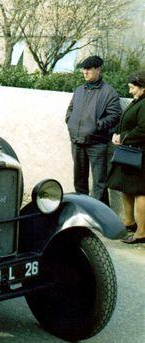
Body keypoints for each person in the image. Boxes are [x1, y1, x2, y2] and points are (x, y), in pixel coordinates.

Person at [65, 55, 121, 204]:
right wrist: (70, 122)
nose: (85, 72)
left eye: (89, 69)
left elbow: (115, 115)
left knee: (99, 183)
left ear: (98, 69)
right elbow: (70, 110)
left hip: (97, 144)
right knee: (79, 180)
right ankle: (83, 210)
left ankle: (100, 216)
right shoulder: (79, 90)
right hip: (77, 141)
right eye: (84, 69)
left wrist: (97, 126)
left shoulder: (109, 92)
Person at [107, 72, 145, 244]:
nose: (130, 91)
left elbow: (143, 128)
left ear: (143, 87)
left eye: (132, 88)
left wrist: (123, 137)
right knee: (126, 187)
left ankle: (141, 232)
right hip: (131, 152)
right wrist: (119, 134)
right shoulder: (139, 101)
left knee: (140, 193)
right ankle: (129, 223)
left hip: (140, 155)